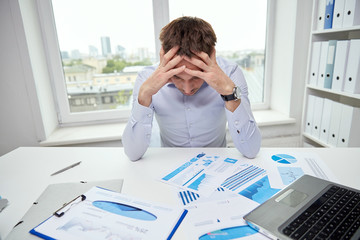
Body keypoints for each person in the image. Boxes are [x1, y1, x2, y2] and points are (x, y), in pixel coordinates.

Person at [122, 16, 261, 161]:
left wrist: (230, 94)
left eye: (196, 76)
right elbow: (133, 153)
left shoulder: (230, 73)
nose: (187, 89)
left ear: (211, 55)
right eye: (177, 77)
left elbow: (251, 150)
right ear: (164, 55)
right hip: (168, 165)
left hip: (217, 164)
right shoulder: (146, 78)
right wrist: (144, 95)